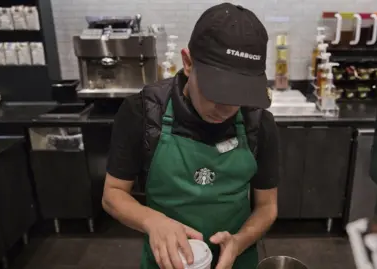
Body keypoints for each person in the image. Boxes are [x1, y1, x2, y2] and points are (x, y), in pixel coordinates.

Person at [102, 3, 279, 269]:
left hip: (236, 261)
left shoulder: (259, 122)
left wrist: (239, 242)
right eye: (217, 92)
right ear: (188, 62)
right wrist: (153, 221)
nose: (227, 109)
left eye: (239, 96)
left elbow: (267, 206)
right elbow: (113, 194)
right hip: (167, 263)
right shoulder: (143, 112)